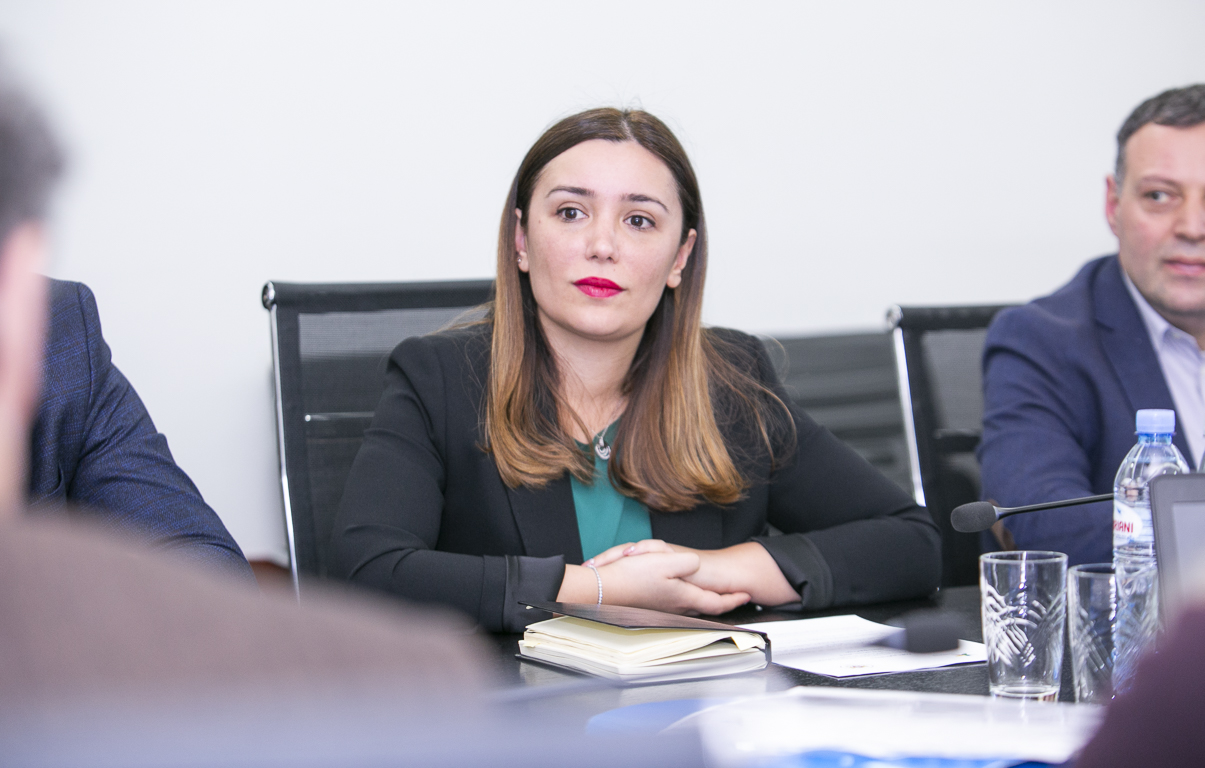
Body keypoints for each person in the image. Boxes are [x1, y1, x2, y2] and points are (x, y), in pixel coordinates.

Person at [332, 108, 941, 632]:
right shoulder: (438, 378)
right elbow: (369, 573)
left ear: (680, 257)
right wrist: (600, 590)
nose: (603, 245)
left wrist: (711, 569)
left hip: (699, 710)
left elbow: (910, 542)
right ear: (520, 241)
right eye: (571, 212)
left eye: (639, 220)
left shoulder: (732, 381)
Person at [978, 84, 1205, 566]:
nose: (1192, 227)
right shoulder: (1040, 340)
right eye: (1160, 196)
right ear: (1113, 205)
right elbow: (1046, 523)